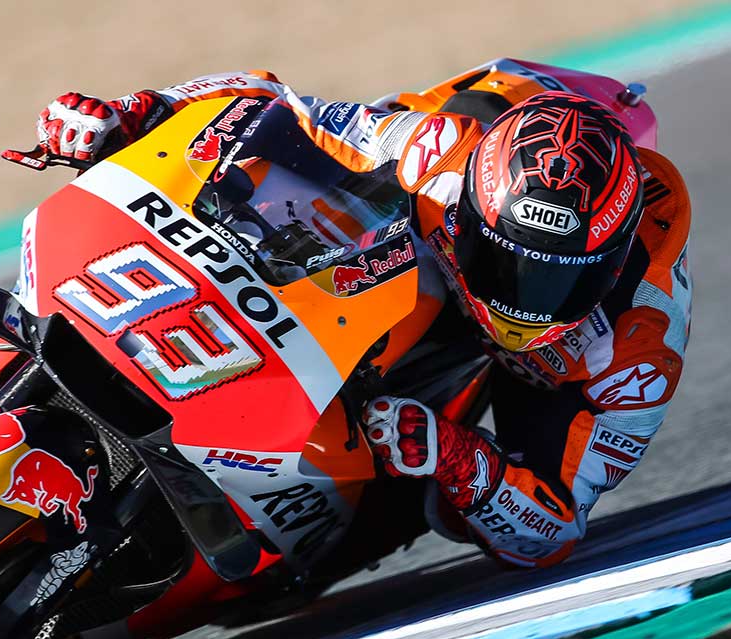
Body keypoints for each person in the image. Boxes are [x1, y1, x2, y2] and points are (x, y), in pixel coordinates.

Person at [35, 65, 691, 570]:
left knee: (423, 493)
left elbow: (554, 530)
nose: (523, 295)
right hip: (439, 197)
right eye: (505, 261)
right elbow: (264, 105)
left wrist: (455, 457)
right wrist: (138, 112)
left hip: (527, 372)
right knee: (275, 200)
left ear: (613, 261)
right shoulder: (432, 150)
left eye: (557, 278)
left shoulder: (642, 339)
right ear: (470, 210)